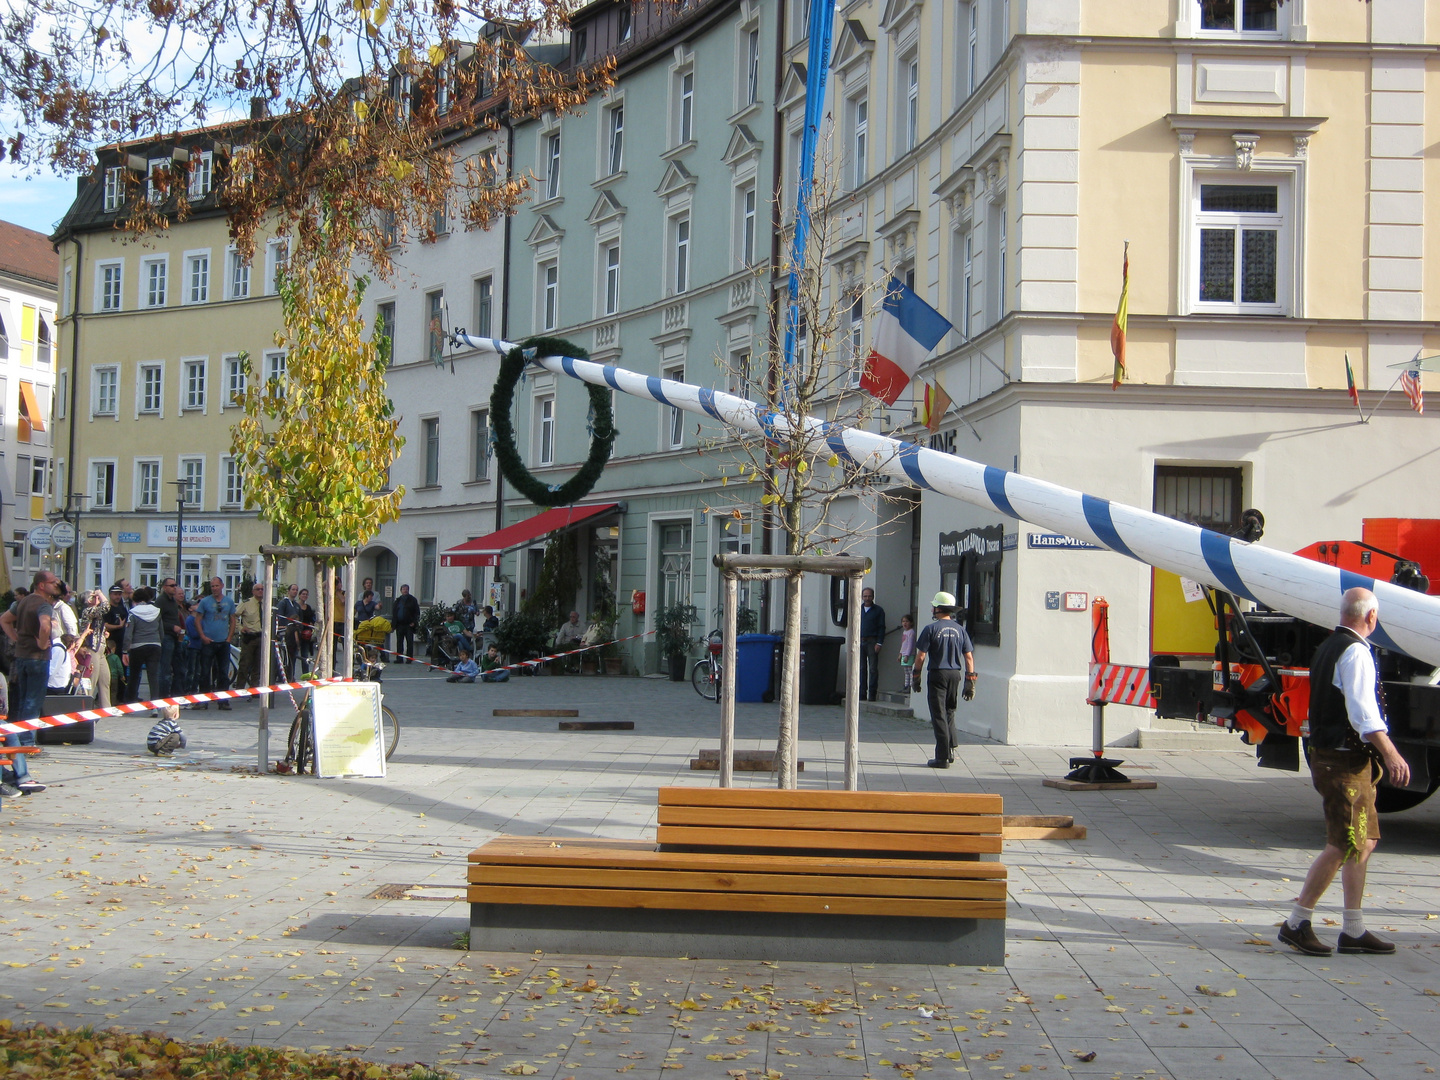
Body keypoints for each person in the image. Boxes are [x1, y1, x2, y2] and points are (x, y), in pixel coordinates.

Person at [1278, 587, 1412, 958]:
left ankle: (1353, 929)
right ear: (1371, 617)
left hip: (1345, 758)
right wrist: (1393, 755)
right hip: (1342, 760)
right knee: (1344, 842)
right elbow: (1363, 714)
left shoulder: (1329, 646)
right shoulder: (1355, 652)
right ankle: (1296, 922)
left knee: (1365, 840)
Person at [0, 570, 60, 795]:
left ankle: (21, 741)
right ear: (42, 585)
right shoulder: (44, 605)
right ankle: (27, 741)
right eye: (53, 583)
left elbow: (4, 620)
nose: (57, 585)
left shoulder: (23, 602)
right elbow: (45, 627)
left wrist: (17, 640)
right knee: (33, 703)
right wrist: (43, 644)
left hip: (22, 657)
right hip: (37, 658)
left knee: (23, 699)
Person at [911, 591, 976, 769]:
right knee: (949, 711)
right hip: (955, 674)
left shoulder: (931, 629)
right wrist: (970, 680)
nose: (932, 608)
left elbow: (921, 656)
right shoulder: (960, 629)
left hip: (938, 673)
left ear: (939, 609)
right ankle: (951, 749)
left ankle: (941, 758)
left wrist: (915, 675)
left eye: (934, 606)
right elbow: (968, 657)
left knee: (938, 714)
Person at [196, 576, 236, 710]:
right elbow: (198, 620)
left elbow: (233, 620)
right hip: (208, 641)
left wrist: (229, 637)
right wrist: (202, 636)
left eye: (216, 586)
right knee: (205, 672)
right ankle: (203, 699)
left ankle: (223, 700)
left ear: (222, 586)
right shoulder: (205, 602)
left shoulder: (229, 601)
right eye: (212, 586)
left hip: (223, 642)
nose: (214, 588)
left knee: (223, 672)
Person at [122, 586, 165, 705]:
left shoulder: (133, 613)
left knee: (134, 675)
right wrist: (159, 642)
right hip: (155, 645)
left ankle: (131, 701)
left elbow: (128, 634)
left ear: (135, 600)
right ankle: (155, 704)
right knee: (153, 676)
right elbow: (161, 631)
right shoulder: (156, 611)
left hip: (138, 646)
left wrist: (125, 650)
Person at [233, 582, 265, 693]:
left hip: (261, 637)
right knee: (244, 664)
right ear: (253, 591)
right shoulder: (246, 603)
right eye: (258, 589)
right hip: (249, 638)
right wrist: (240, 628)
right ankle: (239, 688)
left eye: (262, 589)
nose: (260, 591)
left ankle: (254, 689)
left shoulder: (266, 603)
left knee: (258, 665)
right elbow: (234, 616)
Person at [156, 577, 185, 697]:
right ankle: (163, 696)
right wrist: (172, 627)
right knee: (165, 669)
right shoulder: (161, 601)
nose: (174, 587)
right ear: (164, 587)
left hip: (176, 637)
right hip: (166, 637)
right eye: (171, 585)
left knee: (180, 669)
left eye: (175, 585)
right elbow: (158, 620)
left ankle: (176, 695)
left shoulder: (173, 601)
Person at [858, 587, 886, 701]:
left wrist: (879, 642)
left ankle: (872, 694)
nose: (867, 598)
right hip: (859, 640)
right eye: (865, 596)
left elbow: (881, 627)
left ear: (873, 597)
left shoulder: (878, 610)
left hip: (872, 641)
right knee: (861, 668)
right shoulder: (857, 609)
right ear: (862, 597)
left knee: (873, 668)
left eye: (869, 596)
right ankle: (861, 694)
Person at [276, 584, 301, 678]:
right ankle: (284, 676)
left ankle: (291, 675)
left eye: (296, 589)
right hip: (285, 634)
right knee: (286, 657)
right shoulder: (283, 603)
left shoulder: (296, 605)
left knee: (293, 657)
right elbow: (279, 617)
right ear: (289, 591)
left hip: (295, 635)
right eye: (293, 589)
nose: (295, 591)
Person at [392, 584, 419, 664]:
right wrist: (393, 625)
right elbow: (394, 613)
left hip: (409, 625)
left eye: (406, 589)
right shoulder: (398, 600)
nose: (405, 590)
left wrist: (414, 622)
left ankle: (409, 658)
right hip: (399, 624)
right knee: (399, 642)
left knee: (409, 642)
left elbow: (416, 612)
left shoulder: (412, 600)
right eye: (403, 589)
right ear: (401, 590)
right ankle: (399, 658)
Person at [295, 588, 317, 676]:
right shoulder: (295, 606)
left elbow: (312, 618)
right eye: (303, 594)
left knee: (305, 655)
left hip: (306, 634)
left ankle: (306, 673)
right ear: (299, 595)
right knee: (295, 654)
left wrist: (311, 626)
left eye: (306, 594)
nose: (305, 596)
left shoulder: (308, 607)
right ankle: (290, 675)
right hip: (297, 632)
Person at [898, 613, 916, 689]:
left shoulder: (911, 632)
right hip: (904, 654)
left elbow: (910, 645)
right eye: (903, 621)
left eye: (907, 621)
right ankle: (906, 685)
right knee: (906, 672)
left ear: (911, 623)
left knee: (910, 671)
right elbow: (903, 645)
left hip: (909, 655)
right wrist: (900, 654)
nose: (905, 623)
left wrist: (907, 655)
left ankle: (910, 686)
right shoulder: (905, 632)